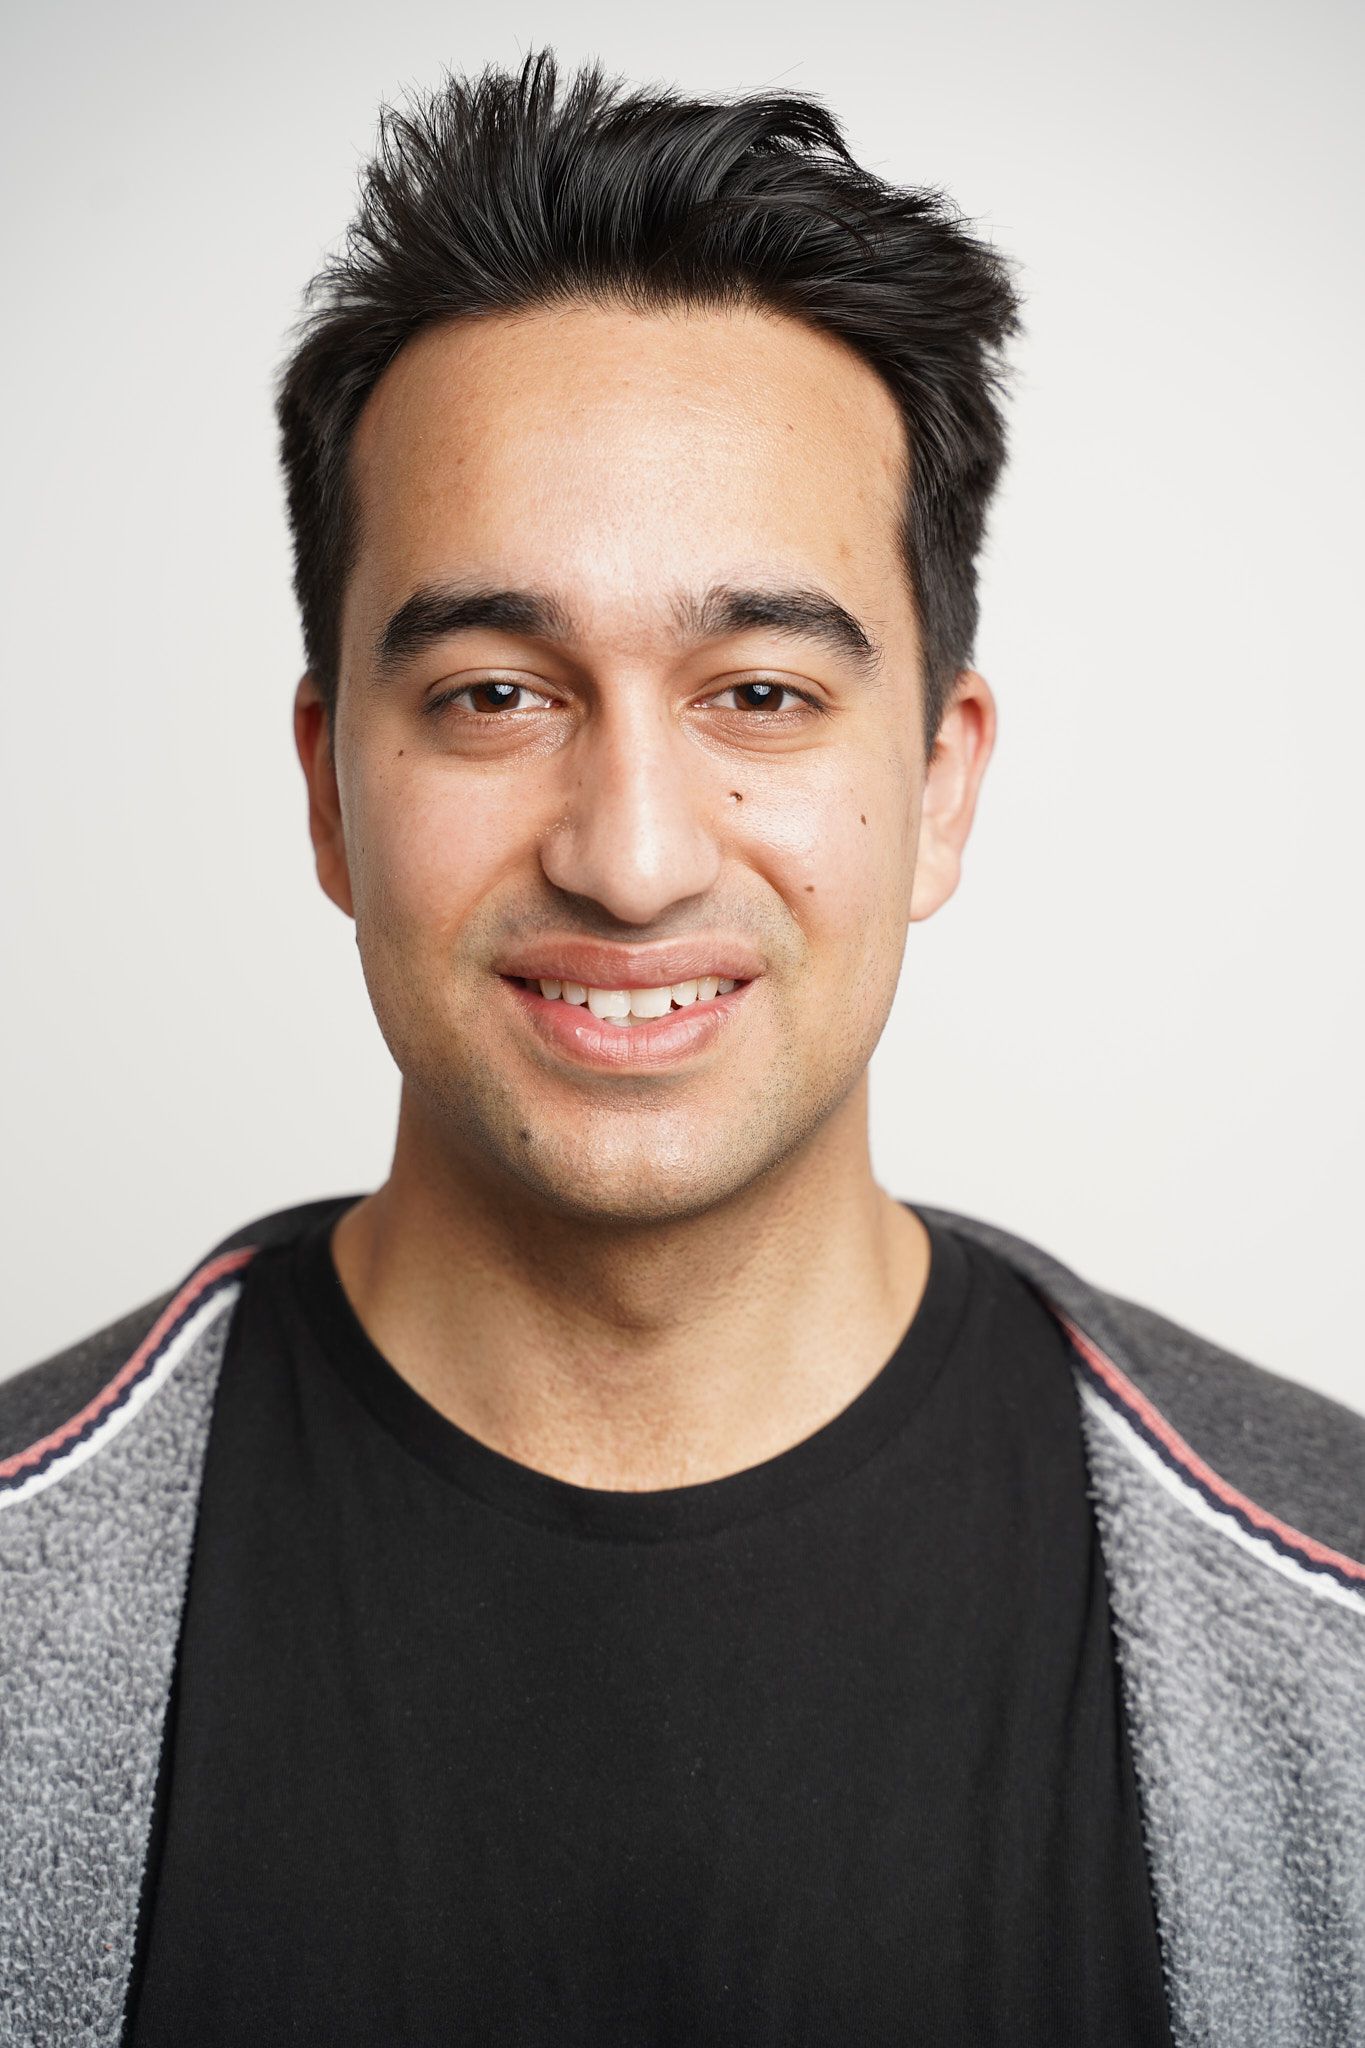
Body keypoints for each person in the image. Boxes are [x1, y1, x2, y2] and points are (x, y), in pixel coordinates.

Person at [2, 48, 1361, 2048]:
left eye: (757, 691)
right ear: (326, 787)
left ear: (939, 780)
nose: (630, 857)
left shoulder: (1330, 1628)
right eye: (494, 693)